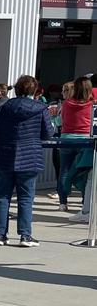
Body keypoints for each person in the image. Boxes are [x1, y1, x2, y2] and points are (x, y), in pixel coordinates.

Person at [0, 74, 53, 247]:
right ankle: (25, 235)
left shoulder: (3, 107)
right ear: (35, 90)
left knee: (2, 196)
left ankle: (0, 235)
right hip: (30, 156)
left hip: (5, 155)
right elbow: (48, 133)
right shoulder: (40, 108)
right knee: (25, 197)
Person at [57, 74, 95, 210]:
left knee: (64, 171)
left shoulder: (67, 104)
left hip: (66, 139)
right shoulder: (91, 105)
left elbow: (61, 121)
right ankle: (85, 202)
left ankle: (63, 202)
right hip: (85, 140)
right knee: (84, 172)